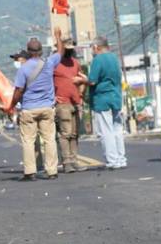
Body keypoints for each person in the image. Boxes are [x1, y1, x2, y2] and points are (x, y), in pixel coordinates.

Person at [9, 27, 64, 181]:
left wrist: (12, 105)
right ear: (41, 51)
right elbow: (60, 51)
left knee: (28, 141)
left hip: (29, 109)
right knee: (49, 139)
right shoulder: (49, 62)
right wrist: (58, 37)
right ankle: (52, 171)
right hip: (47, 107)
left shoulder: (23, 69)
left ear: (27, 51)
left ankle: (30, 172)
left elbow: (18, 91)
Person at [87, 36, 127, 169]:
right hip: (116, 97)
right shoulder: (114, 58)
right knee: (117, 130)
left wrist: (82, 80)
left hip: (102, 99)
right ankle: (121, 159)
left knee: (106, 131)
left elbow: (92, 80)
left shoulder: (97, 60)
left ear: (96, 47)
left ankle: (112, 161)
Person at [53, 38, 86, 173]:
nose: (69, 52)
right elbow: (46, 81)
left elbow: (83, 79)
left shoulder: (75, 63)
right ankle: (67, 162)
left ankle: (74, 160)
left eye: (70, 50)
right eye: (67, 49)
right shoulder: (54, 63)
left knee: (74, 133)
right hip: (62, 104)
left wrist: (81, 95)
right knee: (65, 134)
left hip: (75, 103)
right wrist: (53, 97)